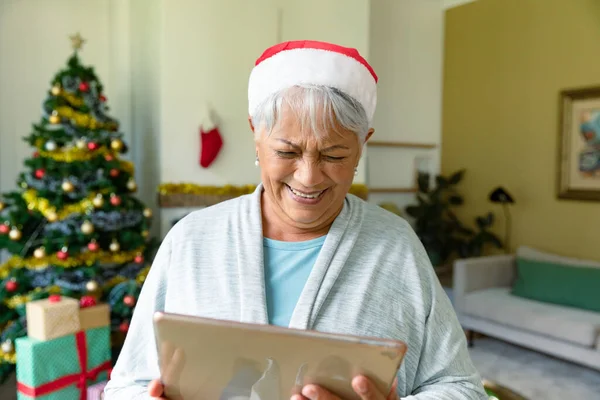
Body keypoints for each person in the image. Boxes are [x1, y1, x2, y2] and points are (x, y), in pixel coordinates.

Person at [104, 40, 488, 400]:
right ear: (256, 134)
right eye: (287, 151)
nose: (308, 177)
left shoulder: (395, 246)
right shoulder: (191, 239)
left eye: (334, 155)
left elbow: (462, 388)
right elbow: (125, 386)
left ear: (362, 146)